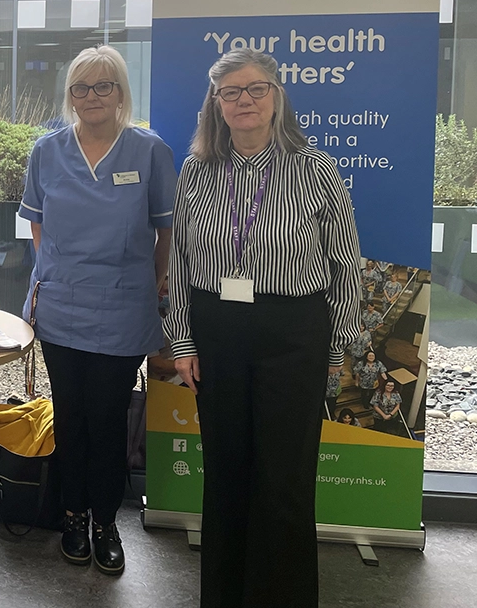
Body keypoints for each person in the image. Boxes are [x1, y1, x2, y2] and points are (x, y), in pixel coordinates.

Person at [165, 49, 361, 608]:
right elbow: (180, 261)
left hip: (292, 332)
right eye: (231, 93)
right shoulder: (196, 169)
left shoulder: (317, 168)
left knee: (285, 479)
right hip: (217, 330)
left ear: (277, 96)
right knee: (226, 471)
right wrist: (183, 341)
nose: (244, 101)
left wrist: (336, 347)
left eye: (256, 89)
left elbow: (345, 263)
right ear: (216, 104)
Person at [18, 45, 176, 575]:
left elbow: (165, 231)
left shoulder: (149, 151)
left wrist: (151, 284)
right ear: (70, 96)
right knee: (70, 416)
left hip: (123, 306)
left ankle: (107, 522)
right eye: (80, 88)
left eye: (103, 86)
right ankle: (72, 515)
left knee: (107, 419)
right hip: (62, 305)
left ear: (121, 93)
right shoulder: (47, 151)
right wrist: (57, 273)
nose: (91, 97)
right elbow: (38, 225)